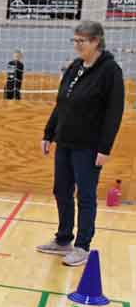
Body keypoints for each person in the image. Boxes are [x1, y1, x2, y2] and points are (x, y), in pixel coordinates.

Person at [37, 21, 125, 267]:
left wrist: (105, 148)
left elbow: (114, 113)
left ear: (96, 41)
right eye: (74, 40)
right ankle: (63, 239)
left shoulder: (110, 71)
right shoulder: (75, 66)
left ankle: (82, 246)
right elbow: (62, 103)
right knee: (61, 191)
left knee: (85, 195)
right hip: (65, 141)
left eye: (81, 41)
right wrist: (48, 133)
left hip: (89, 146)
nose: (76, 45)